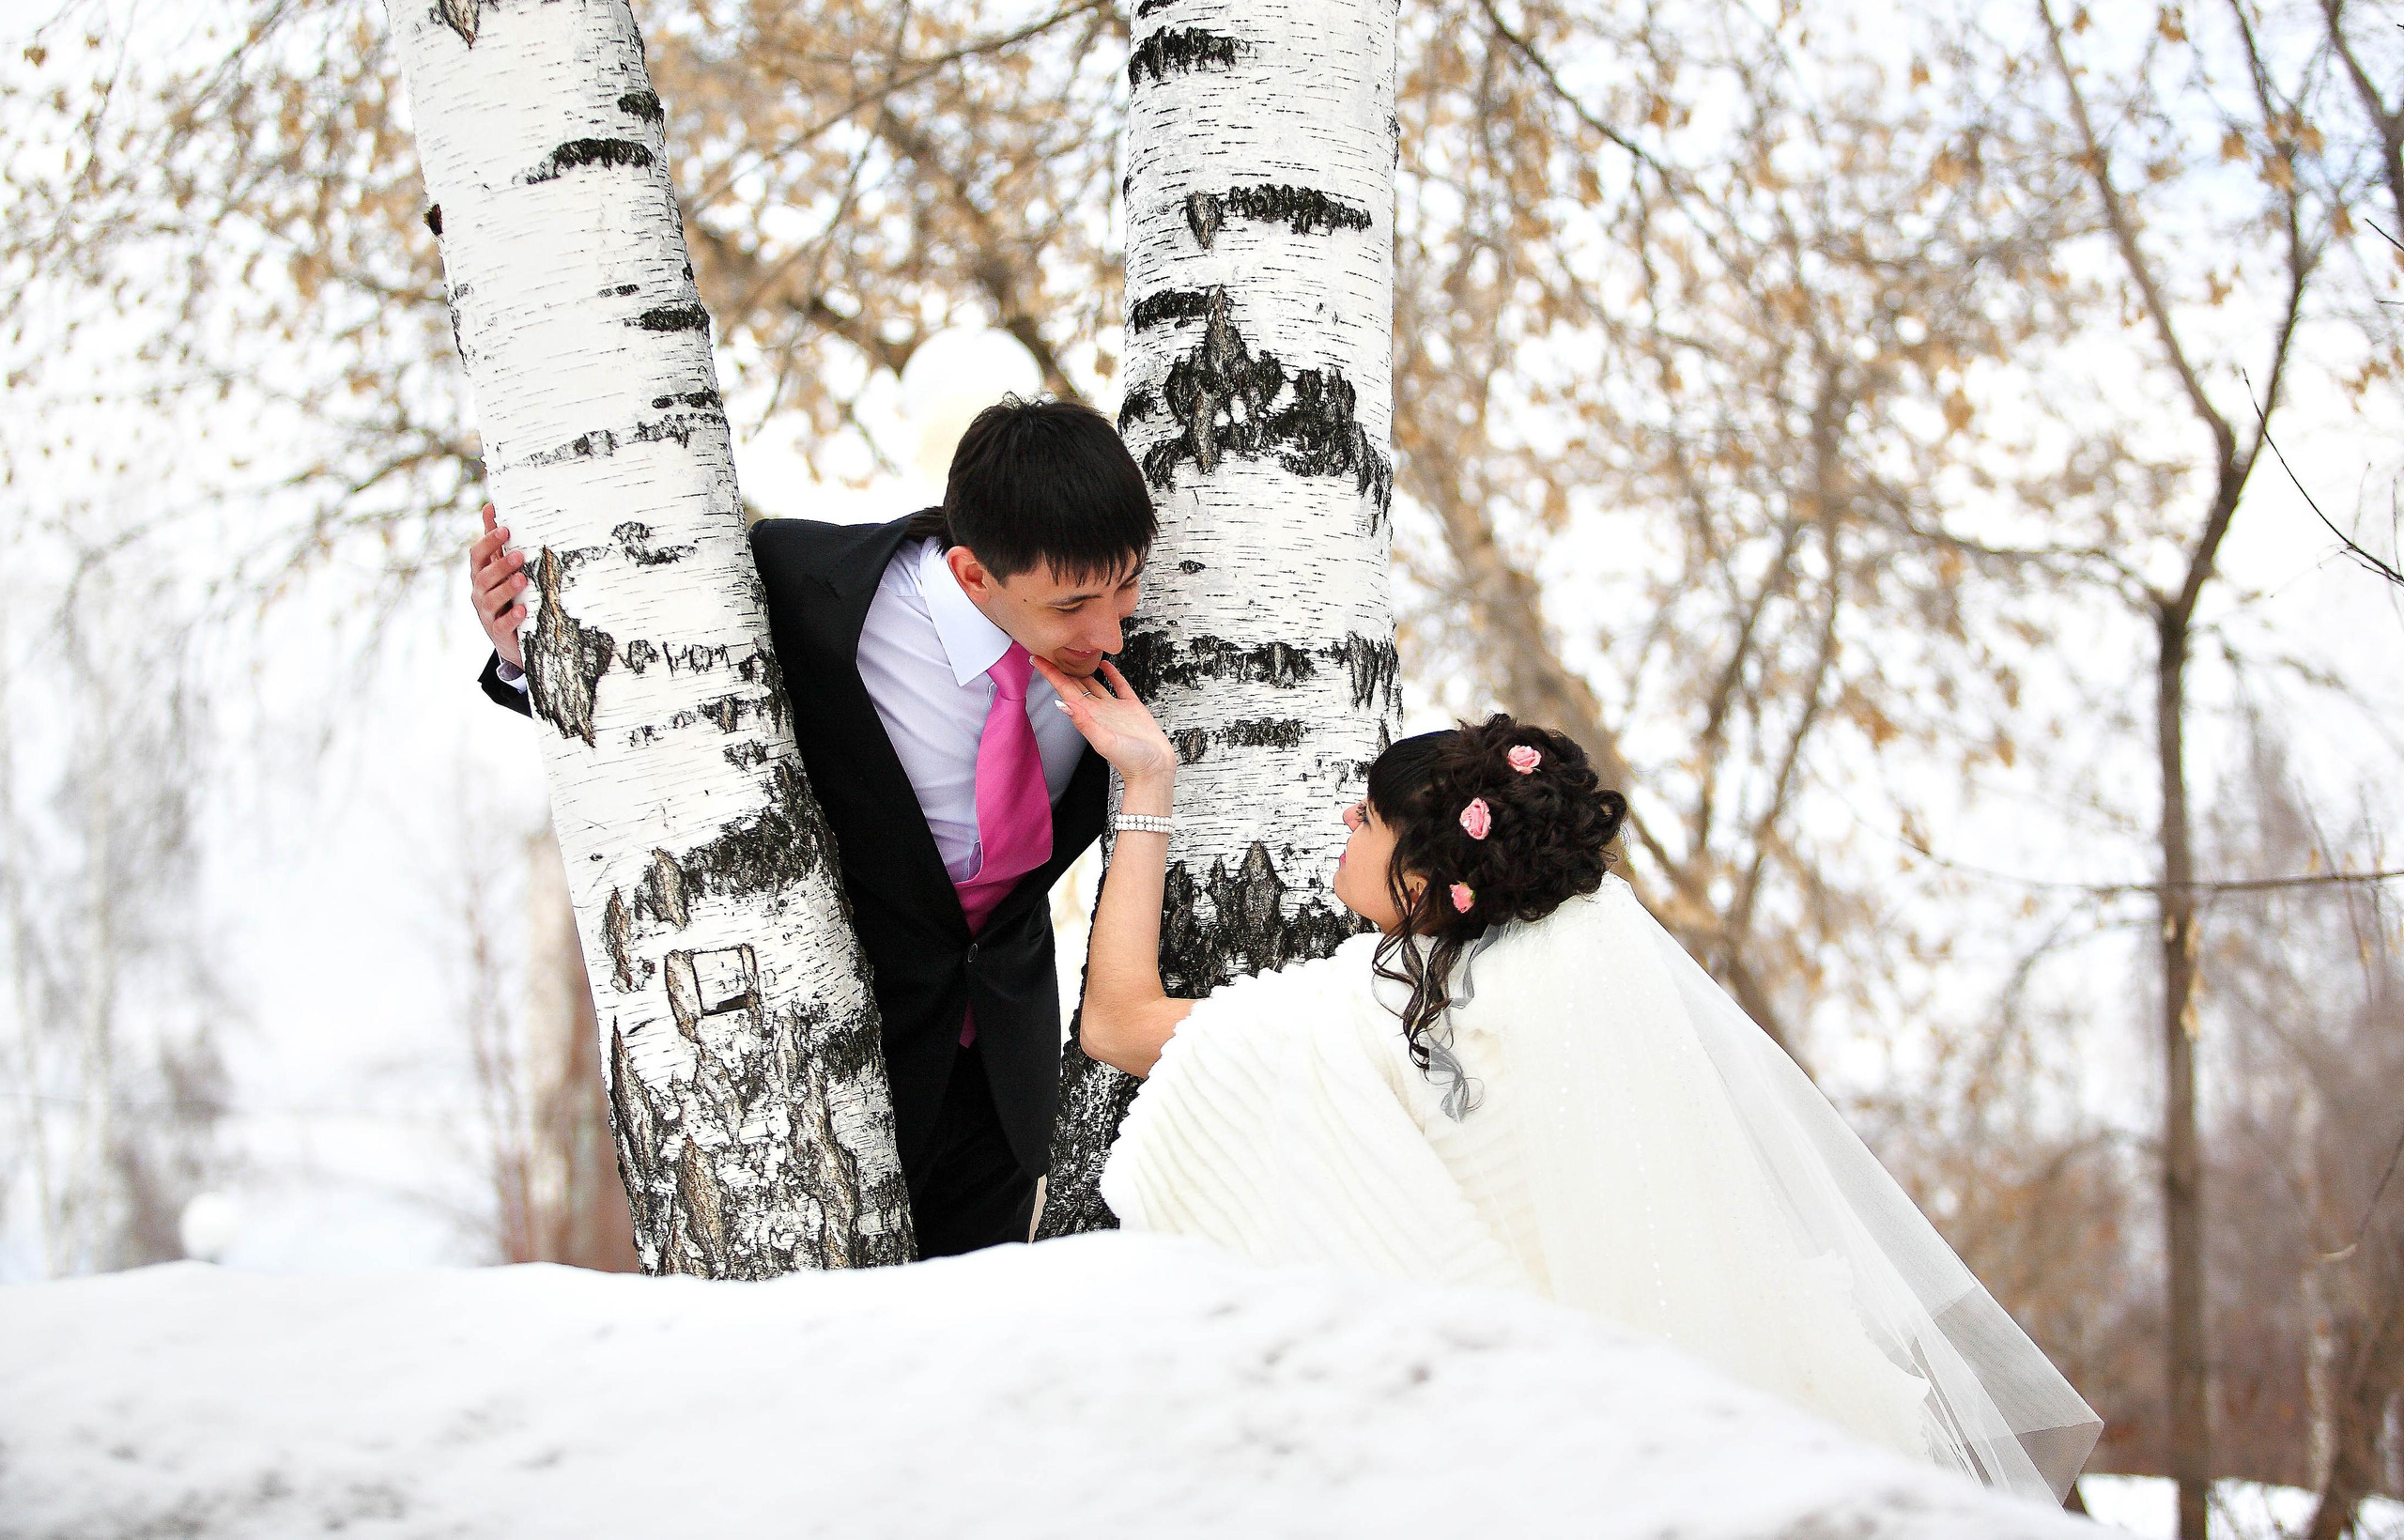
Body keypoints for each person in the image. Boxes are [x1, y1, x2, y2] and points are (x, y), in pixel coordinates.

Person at [1033, 660, 2103, 1503]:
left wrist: (1148, 785)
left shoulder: (1370, 1018)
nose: (1341, 830)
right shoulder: (1547, 1003)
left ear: (1424, 867)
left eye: (1365, 816)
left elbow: (1120, 1023)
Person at [468, 395, 1153, 1257]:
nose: (1111, 630)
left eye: (1126, 585)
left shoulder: (1137, 644)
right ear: (975, 574)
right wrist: (530, 652)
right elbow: (654, 707)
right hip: (826, 1077)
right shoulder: (802, 585)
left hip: (1003, 1089)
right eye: (1072, 605)